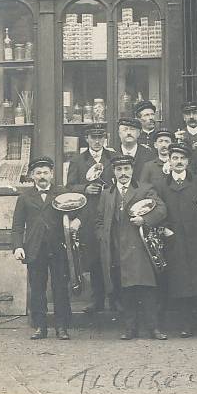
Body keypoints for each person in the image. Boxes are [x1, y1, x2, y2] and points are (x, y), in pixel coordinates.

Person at [96, 155, 168, 340]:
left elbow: (161, 210)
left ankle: (154, 328)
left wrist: (145, 220)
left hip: (140, 248)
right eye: (119, 170)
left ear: (132, 170)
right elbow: (99, 219)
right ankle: (130, 329)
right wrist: (103, 237)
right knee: (125, 290)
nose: (123, 173)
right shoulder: (108, 192)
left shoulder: (144, 189)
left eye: (126, 169)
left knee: (147, 289)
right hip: (117, 249)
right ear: (114, 171)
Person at [155, 143, 197, 339]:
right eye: (174, 158)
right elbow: (156, 208)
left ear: (188, 161)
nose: (178, 162)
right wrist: (163, 228)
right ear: (169, 160)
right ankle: (186, 325)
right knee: (181, 282)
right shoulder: (161, 185)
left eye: (182, 158)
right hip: (174, 239)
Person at [12, 157, 74, 340]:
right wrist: (17, 247)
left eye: (45, 172)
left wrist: (77, 221)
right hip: (35, 249)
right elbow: (17, 226)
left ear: (51, 174)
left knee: (60, 288)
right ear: (32, 175)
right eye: (38, 173)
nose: (42, 176)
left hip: (58, 248)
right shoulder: (24, 198)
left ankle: (61, 327)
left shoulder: (62, 193)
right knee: (37, 289)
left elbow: (77, 211)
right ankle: (40, 326)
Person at [65, 123, 117, 314]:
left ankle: (115, 299)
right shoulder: (78, 161)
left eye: (100, 137)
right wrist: (84, 189)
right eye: (93, 137)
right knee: (95, 258)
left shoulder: (113, 158)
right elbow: (69, 187)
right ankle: (98, 299)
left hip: (111, 212)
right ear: (86, 139)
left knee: (113, 256)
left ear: (105, 138)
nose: (97, 141)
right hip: (89, 215)